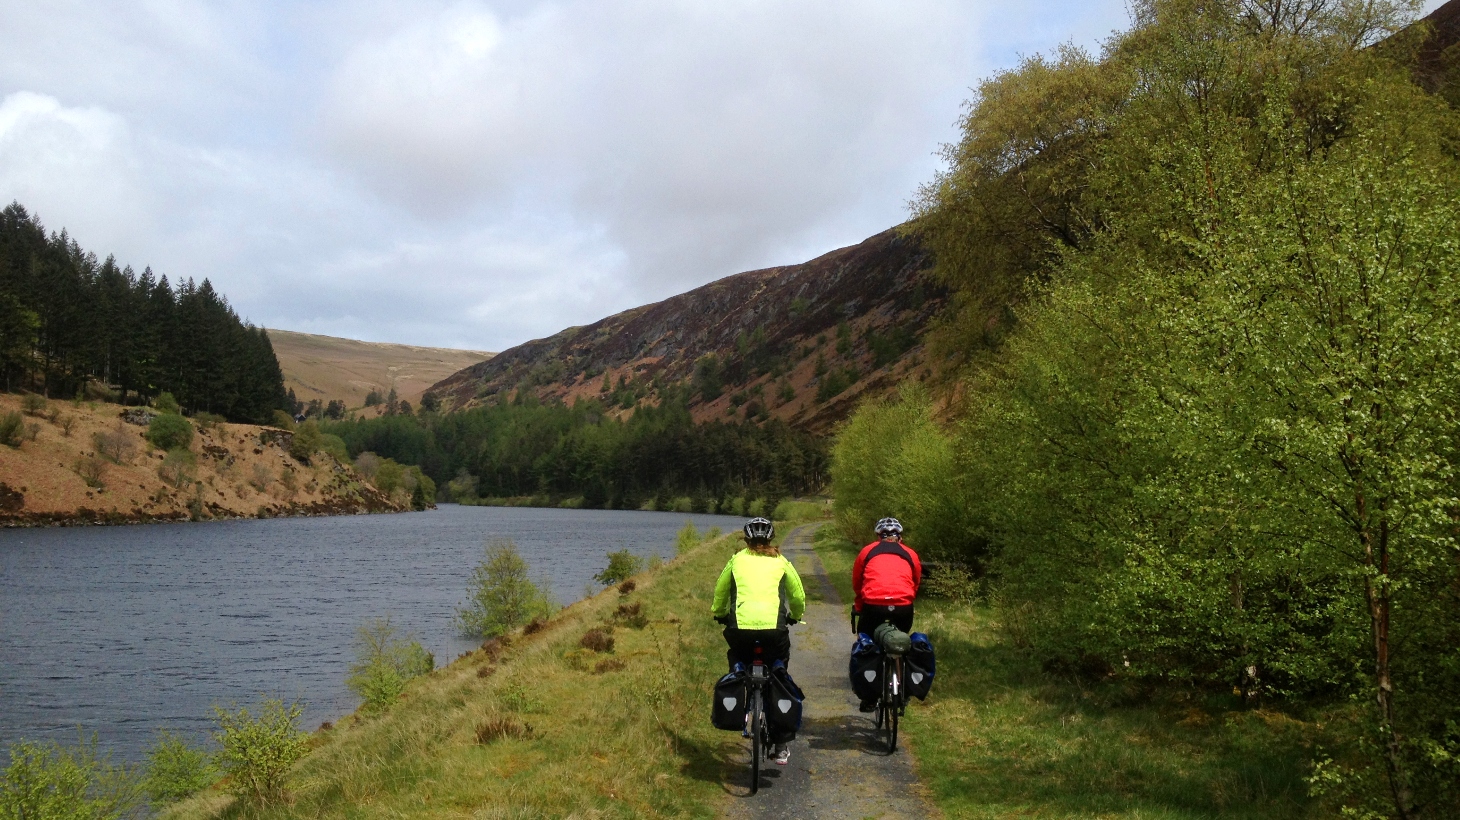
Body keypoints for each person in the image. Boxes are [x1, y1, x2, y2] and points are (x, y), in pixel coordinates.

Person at [711, 516, 807, 765]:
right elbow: (797, 595)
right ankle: (781, 744)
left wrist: (720, 613)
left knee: (736, 654)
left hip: (740, 630)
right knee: (778, 668)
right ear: (771, 540)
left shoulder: (736, 560)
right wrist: (795, 616)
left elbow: (721, 592)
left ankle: (740, 674)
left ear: (746, 539)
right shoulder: (781, 562)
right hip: (774, 632)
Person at [852, 517, 923, 711]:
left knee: (867, 642)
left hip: (873, 605)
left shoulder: (867, 551)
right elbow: (916, 581)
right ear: (900, 537)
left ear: (878, 536)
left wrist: (859, 603)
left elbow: (858, 582)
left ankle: (869, 696)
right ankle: (902, 689)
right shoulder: (910, 553)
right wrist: (906, 598)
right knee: (901, 642)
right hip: (903, 606)